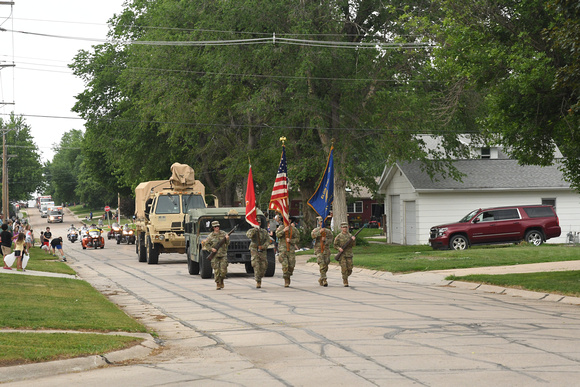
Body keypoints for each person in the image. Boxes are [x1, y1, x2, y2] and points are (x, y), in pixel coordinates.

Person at [202, 221, 230, 290]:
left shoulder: (223, 233)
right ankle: (218, 283)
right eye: (215, 227)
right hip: (215, 255)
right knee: (216, 270)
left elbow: (228, 243)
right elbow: (206, 244)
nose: (217, 228)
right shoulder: (210, 236)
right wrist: (211, 249)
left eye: (218, 226)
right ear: (213, 228)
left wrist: (227, 239)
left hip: (223, 254)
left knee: (223, 271)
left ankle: (222, 280)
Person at [246, 218, 271, 289]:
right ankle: (258, 281)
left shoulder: (264, 232)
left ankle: (260, 276)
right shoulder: (251, 231)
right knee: (256, 265)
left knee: (263, 266)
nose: (258, 224)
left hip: (262, 251)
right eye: (256, 223)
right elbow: (249, 235)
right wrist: (254, 230)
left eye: (258, 223)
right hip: (254, 250)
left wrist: (263, 246)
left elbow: (268, 240)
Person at [276, 218, 300, 288]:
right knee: (285, 265)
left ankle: (288, 275)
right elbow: (277, 235)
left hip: (291, 250)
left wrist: (291, 240)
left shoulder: (294, 229)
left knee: (291, 265)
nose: (288, 221)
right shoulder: (281, 227)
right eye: (286, 219)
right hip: (283, 249)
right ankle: (286, 279)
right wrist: (283, 231)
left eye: (289, 220)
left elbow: (297, 239)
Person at [311, 216, 333, 287]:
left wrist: (325, 241)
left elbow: (331, 240)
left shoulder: (328, 231)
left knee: (326, 264)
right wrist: (319, 232)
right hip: (318, 250)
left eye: (323, 222)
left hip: (326, 250)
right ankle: (324, 280)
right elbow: (313, 236)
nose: (321, 223)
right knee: (322, 264)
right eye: (320, 222)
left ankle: (321, 278)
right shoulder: (316, 230)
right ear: (319, 223)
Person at [333, 222, 356, 287]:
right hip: (342, 255)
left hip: (349, 254)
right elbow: (335, 245)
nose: (345, 228)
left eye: (346, 227)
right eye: (343, 227)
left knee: (350, 268)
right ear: (341, 228)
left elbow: (353, 245)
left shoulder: (350, 236)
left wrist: (353, 240)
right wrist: (339, 248)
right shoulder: (339, 236)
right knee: (344, 268)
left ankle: (345, 276)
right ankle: (345, 280)